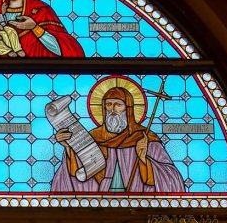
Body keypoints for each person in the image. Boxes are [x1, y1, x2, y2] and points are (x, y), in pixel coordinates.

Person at [51, 82, 187, 194]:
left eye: (118, 104)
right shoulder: (94, 138)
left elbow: (172, 178)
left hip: (137, 201)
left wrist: (144, 160)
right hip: (102, 202)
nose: (112, 109)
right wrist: (69, 147)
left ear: (128, 109)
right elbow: (78, 174)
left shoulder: (145, 138)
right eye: (108, 104)